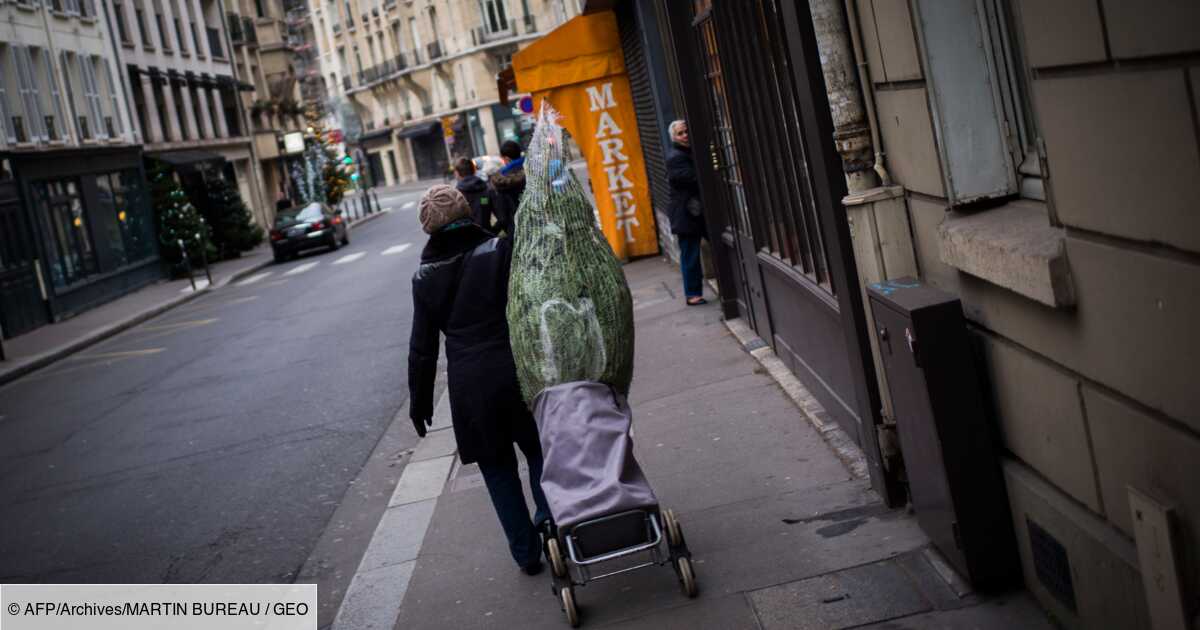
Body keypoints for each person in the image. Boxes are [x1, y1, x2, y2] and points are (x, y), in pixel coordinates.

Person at [407, 185, 551, 576]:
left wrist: (419, 402)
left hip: (470, 384)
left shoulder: (424, 278)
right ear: (468, 213)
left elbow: (423, 347)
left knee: (496, 467)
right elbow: (532, 303)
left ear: (429, 228)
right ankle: (550, 521)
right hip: (518, 366)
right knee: (539, 448)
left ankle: (525, 553)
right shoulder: (499, 251)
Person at [666, 120, 708, 306]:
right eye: (680, 133)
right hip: (687, 213)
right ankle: (692, 294)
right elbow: (687, 178)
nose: (684, 135)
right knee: (690, 254)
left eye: (686, 131)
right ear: (674, 137)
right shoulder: (676, 156)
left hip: (695, 211)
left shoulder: (687, 151)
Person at [490, 140, 526, 236]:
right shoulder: (534, 168)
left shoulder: (501, 180)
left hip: (518, 231)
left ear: (507, 158)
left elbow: (503, 217)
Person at [453, 157, 497, 230]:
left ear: (457, 173)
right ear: (474, 170)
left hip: (468, 238)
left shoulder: (455, 195)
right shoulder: (487, 189)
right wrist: (492, 233)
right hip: (486, 234)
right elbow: (502, 218)